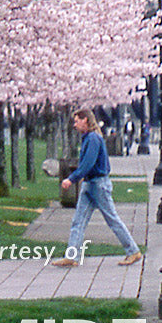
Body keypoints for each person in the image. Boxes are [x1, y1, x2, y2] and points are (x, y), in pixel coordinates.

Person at [52, 108, 142, 267]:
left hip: (98, 184)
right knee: (78, 221)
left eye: (77, 120)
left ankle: (133, 251)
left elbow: (88, 163)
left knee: (112, 219)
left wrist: (71, 179)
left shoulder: (93, 138)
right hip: (89, 184)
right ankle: (71, 256)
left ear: (85, 120)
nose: (75, 124)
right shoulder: (88, 138)